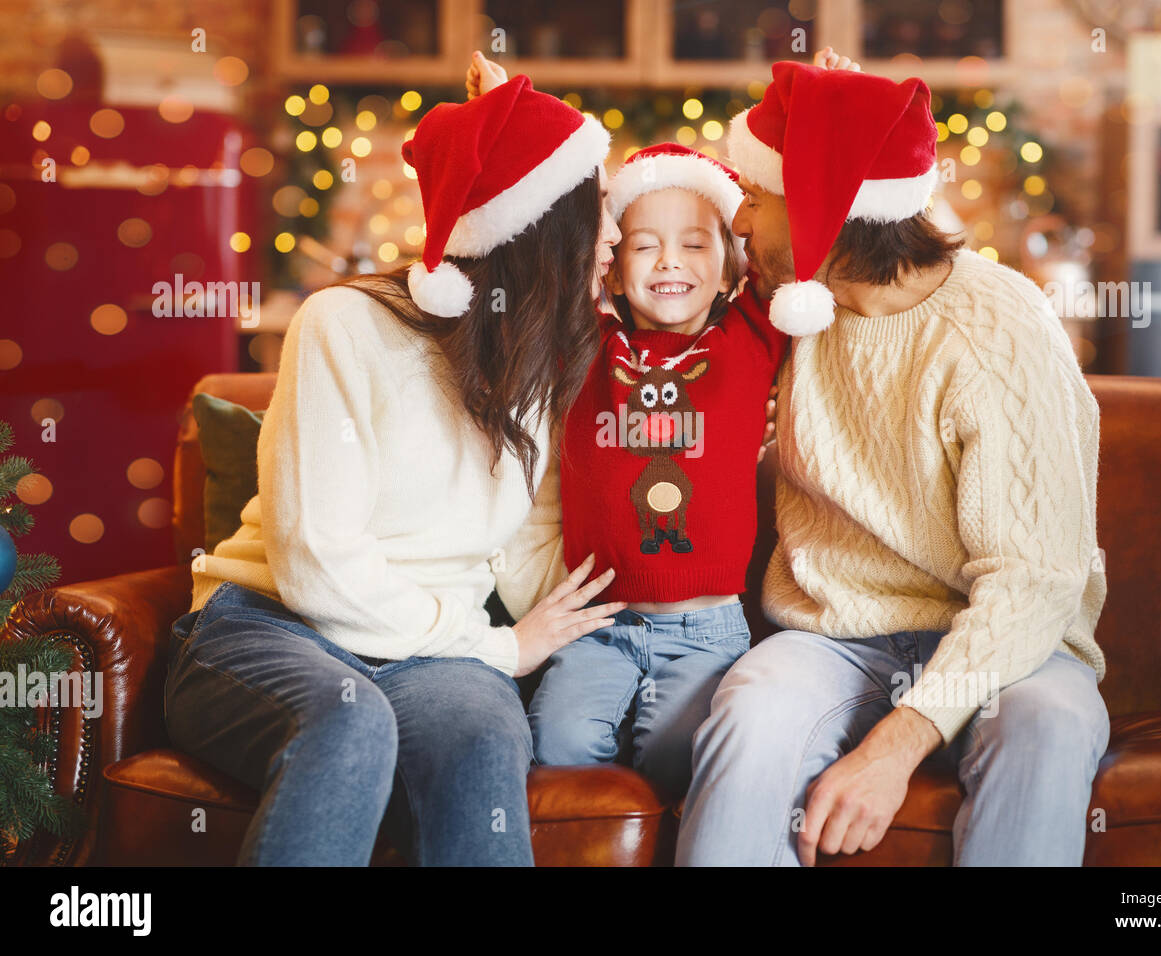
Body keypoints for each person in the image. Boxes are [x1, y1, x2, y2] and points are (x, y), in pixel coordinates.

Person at [164, 70, 626, 866]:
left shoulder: (541, 362)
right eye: (601, 213)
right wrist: (497, 649)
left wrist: (644, 627)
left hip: (431, 653)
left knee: (481, 738)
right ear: (544, 229)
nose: (615, 238)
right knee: (350, 719)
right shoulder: (344, 325)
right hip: (273, 623)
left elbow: (522, 541)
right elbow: (316, 562)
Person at [676, 59, 1110, 866]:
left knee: (1050, 727)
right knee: (751, 710)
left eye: (760, 195)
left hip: (1011, 643)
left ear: (823, 206)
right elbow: (647, 298)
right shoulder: (795, 306)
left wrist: (895, 747)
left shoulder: (998, 331)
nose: (739, 218)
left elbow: (1036, 582)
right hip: (837, 637)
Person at [525, 142, 787, 801]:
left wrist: (818, 120)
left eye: (697, 244)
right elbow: (548, 247)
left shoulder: (751, 339)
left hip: (707, 632)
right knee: (558, 751)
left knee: (683, 764)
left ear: (733, 266)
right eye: (645, 246)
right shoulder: (585, 344)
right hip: (597, 624)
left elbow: (800, 241)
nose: (670, 260)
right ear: (610, 268)